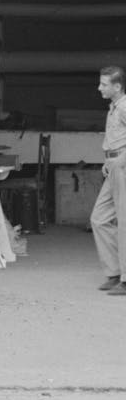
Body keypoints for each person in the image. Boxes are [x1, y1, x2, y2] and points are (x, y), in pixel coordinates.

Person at [92, 65, 126, 295]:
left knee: (124, 223)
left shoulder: (124, 107)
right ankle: (115, 272)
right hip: (113, 165)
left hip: (122, 166)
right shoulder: (114, 108)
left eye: (104, 84)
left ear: (117, 86)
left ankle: (124, 278)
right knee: (99, 218)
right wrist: (108, 161)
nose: (99, 88)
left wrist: (120, 160)